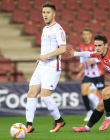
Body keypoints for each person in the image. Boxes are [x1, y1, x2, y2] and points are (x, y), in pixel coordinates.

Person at [67, 34, 110, 132]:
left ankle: (108, 118)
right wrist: (75, 54)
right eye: (96, 45)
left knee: (105, 92)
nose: (97, 48)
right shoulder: (98, 55)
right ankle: (87, 128)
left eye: (99, 45)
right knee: (100, 105)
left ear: (106, 45)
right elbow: (88, 54)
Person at [26, 2, 66, 133]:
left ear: (54, 14)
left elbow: (63, 49)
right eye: (43, 12)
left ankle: (59, 120)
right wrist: (40, 57)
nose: (45, 15)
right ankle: (29, 125)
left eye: (48, 12)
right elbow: (47, 48)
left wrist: (46, 56)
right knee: (31, 93)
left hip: (52, 66)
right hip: (42, 66)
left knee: (44, 96)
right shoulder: (45, 29)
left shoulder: (58, 29)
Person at [76, 28, 105, 121]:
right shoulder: (81, 46)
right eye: (84, 34)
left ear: (90, 35)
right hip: (88, 74)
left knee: (103, 94)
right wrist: (81, 64)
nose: (85, 36)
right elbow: (82, 56)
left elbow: (102, 56)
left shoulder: (95, 45)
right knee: (84, 92)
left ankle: (109, 111)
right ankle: (89, 112)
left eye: (87, 34)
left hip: (97, 74)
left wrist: (93, 60)